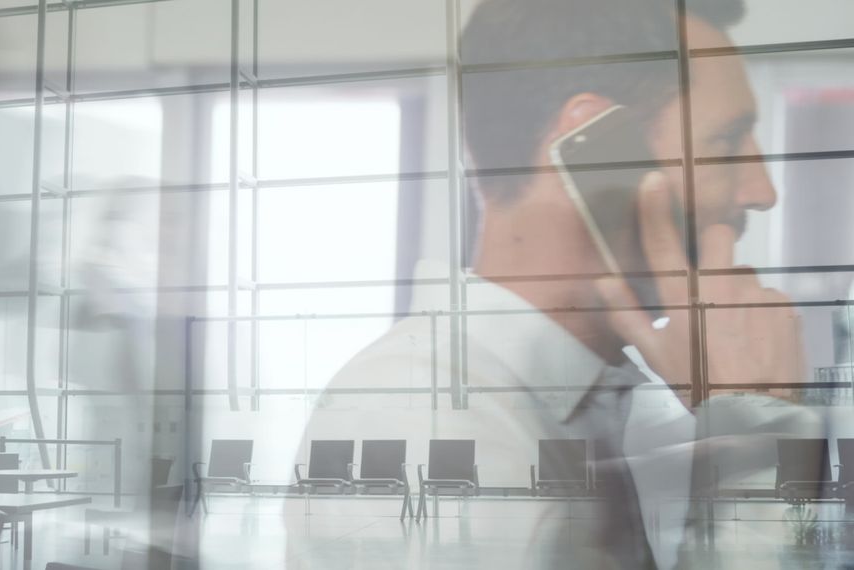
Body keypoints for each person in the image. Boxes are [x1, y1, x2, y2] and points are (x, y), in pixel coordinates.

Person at [287, 0, 821, 568]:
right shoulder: (422, 422)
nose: (762, 192)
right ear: (597, 147)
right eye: (727, 142)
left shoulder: (624, 404)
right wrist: (758, 440)